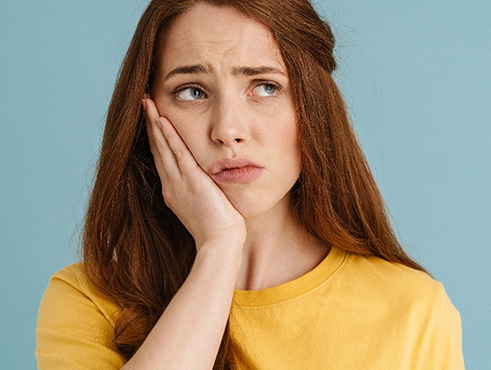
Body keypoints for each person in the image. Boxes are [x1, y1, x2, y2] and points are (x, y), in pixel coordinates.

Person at [35, 0, 464, 368]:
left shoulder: (412, 310)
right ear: (148, 114)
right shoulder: (89, 300)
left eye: (265, 87)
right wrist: (219, 248)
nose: (228, 129)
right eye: (192, 92)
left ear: (313, 107)